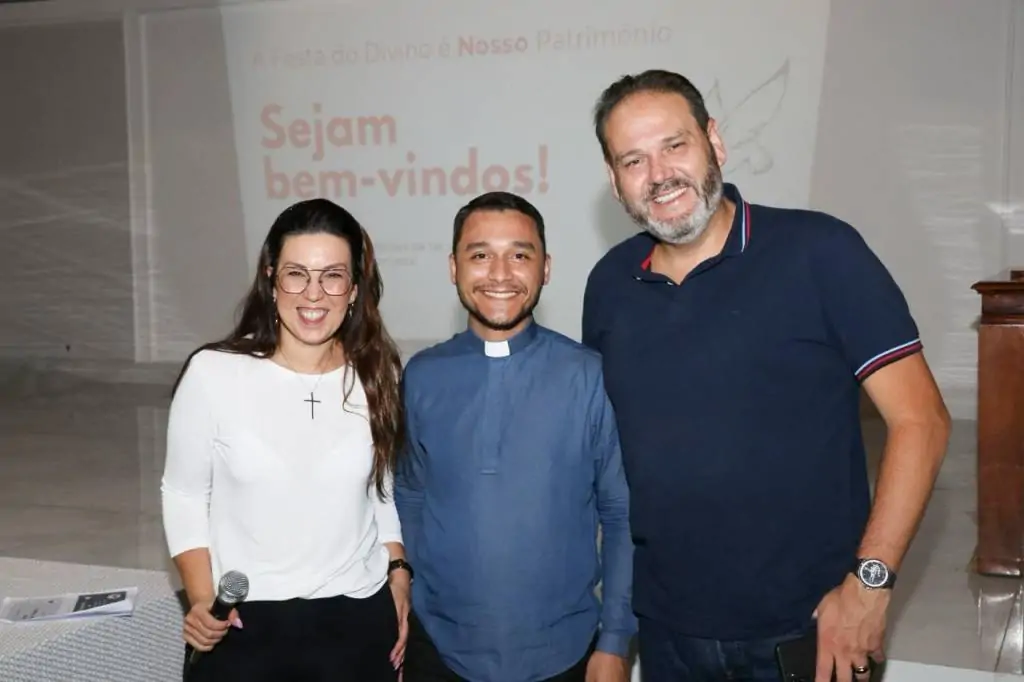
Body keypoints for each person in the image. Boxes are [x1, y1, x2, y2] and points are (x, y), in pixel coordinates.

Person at [582, 70, 951, 682]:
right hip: (668, 634)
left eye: (675, 145)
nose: (660, 174)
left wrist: (871, 586)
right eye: (633, 159)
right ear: (615, 182)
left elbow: (922, 421)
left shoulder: (821, 252)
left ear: (714, 142)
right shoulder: (609, 285)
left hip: (812, 628)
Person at [160, 198, 412, 681]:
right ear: (271, 280)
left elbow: (380, 492)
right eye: (297, 274)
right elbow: (184, 492)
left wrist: (399, 573)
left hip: (357, 624)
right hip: (245, 624)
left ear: (354, 289)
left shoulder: (378, 375)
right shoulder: (214, 374)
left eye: (332, 276)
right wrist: (199, 596)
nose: (313, 294)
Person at [393, 191, 636, 682]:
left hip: (564, 654)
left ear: (545, 268)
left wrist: (614, 641)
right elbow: (410, 495)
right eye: (480, 255)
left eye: (519, 255)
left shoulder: (590, 377)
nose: (500, 274)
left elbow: (621, 515)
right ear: (453, 267)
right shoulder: (421, 376)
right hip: (437, 652)